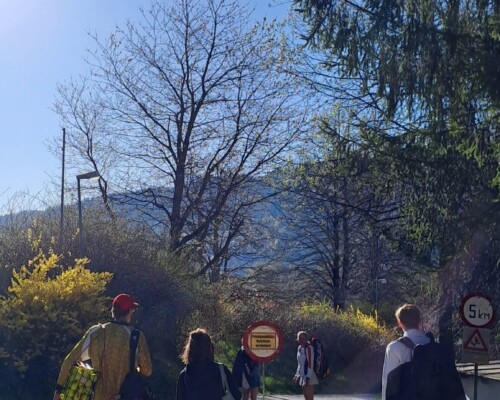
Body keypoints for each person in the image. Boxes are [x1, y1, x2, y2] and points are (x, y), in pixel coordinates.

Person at [53, 293, 152, 400]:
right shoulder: (136, 336)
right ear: (129, 312)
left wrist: (58, 389)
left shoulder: (96, 332)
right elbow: (147, 371)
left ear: (113, 311)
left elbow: (70, 360)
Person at [381, 304, 431, 400]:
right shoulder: (432, 344)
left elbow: (389, 382)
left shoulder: (394, 347)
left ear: (399, 323)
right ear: (419, 320)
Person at [176, 328, 241, 400]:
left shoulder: (185, 375)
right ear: (210, 348)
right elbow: (237, 395)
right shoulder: (221, 370)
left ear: (190, 350)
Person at [293, 331, 318, 400]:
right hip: (302, 375)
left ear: (306, 339)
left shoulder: (309, 348)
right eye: (300, 338)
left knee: (310, 398)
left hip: (308, 375)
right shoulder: (299, 348)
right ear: (297, 339)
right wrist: (296, 375)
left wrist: (308, 377)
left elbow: (310, 364)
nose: (301, 340)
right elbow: (300, 364)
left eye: (303, 338)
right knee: (306, 398)